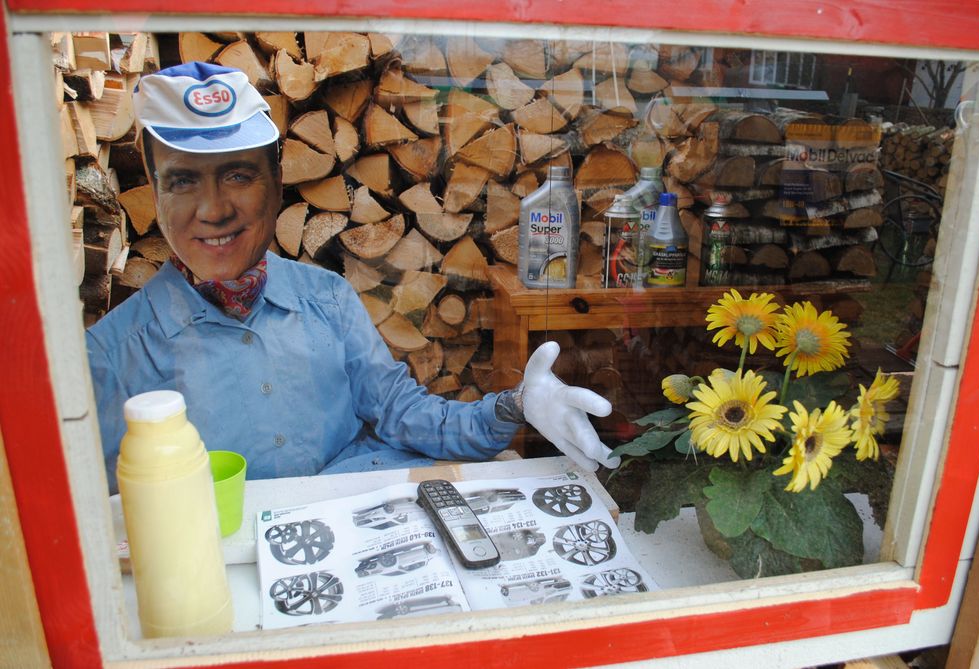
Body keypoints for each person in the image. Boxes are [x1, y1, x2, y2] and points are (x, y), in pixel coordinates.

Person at [87, 62, 619, 494]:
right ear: (154, 197)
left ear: (276, 184)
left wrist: (515, 405)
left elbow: (400, 412)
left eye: (238, 175)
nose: (214, 209)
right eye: (182, 181)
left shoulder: (327, 299)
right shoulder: (110, 357)